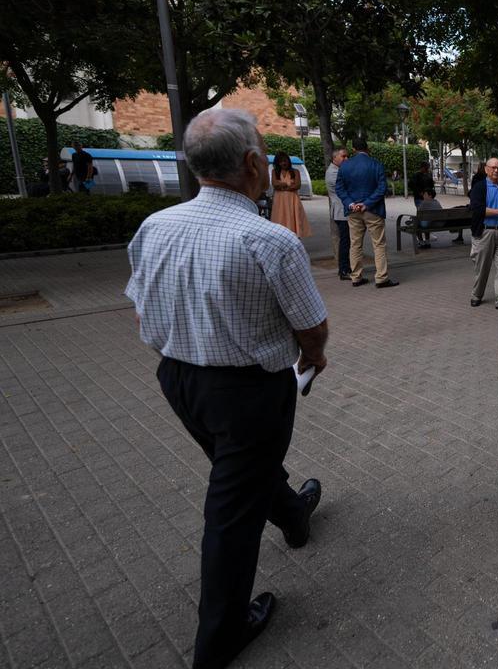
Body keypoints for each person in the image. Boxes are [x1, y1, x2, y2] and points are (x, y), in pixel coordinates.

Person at [124, 108, 328, 669]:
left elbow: (141, 312)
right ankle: (220, 635)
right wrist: (313, 358)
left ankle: (291, 512)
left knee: (242, 469)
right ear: (252, 164)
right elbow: (311, 327)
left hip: (178, 379)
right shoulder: (270, 240)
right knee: (231, 508)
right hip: (248, 391)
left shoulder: (154, 227)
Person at [335, 139, 397, 288]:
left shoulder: (344, 166)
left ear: (354, 149)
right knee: (379, 244)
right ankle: (381, 277)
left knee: (355, 244)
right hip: (373, 210)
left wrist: (351, 203)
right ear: (368, 148)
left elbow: (340, 188)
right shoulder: (376, 164)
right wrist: (367, 203)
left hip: (353, 211)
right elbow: (382, 188)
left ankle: (356, 277)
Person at [468, 157, 498, 308]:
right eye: (493, 168)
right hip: (485, 232)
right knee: (482, 267)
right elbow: (477, 210)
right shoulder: (479, 187)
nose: (496, 170)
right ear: (486, 170)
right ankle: (477, 295)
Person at [324, 148, 351, 279]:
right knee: (345, 242)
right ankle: (344, 270)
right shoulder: (333, 173)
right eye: (343, 156)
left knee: (348, 241)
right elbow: (347, 187)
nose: (346, 159)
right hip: (341, 212)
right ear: (335, 158)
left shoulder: (338, 171)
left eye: (347, 156)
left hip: (343, 211)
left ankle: (346, 268)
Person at [270, 153, 312, 238]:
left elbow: (297, 185)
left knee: (293, 218)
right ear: (277, 163)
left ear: (288, 161)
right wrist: (288, 184)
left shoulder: (295, 171)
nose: (283, 163)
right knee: (280, 218)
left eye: (285, 161)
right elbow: (274, 184)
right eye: (281, 161)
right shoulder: (274, 172)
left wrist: (282, 185)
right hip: (279, 200)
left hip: (293, 200)